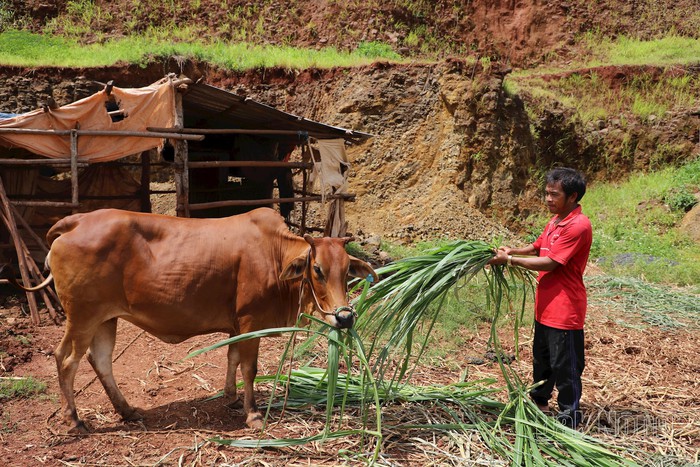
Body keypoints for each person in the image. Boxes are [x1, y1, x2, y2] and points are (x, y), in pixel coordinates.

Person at [488, 167, 592, 428]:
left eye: (553, 195)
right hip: (545, 306)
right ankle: (539, 403)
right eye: (546, 193)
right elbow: (538, 246)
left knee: (565, 367)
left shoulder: (578, 225)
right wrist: (512, 249)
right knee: (542, 360)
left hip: (565, 310)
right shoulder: (556, 220)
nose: (547, 199)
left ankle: (569, 419)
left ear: (572, 196)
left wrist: (509, 260)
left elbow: (550, 262)